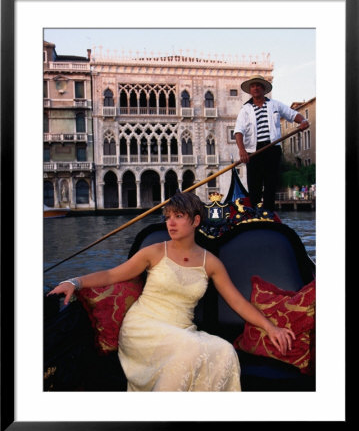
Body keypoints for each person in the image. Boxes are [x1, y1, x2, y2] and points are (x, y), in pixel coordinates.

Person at [48, 192, 295, 392]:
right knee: (190, 350)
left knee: (224, 351)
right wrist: (75, 282)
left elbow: (237, 302)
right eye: (168, 217)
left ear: (196, 220)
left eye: (178, 216)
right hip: (143, 328)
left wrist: (270, 327)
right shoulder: (154, 252)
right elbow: (112, 275)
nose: (171, 223)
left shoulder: (211, 263)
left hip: (180, 330)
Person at [234, 75, 309, 211]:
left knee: (271, 184)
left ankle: (268, 213)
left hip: (272, 149)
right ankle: (255, 215)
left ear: (263, 89)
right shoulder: (245, 110)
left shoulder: (275, 105)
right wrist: (242, 150)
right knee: (254, 185)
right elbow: (238, 131)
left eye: (258, 85)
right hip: (253, 151)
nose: (255, 88)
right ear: (250, 90)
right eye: (253, 86)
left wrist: (303, 121)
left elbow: (293, 114)